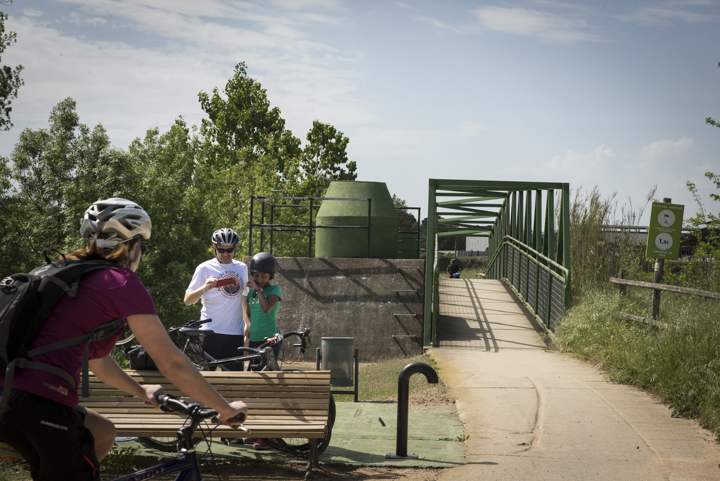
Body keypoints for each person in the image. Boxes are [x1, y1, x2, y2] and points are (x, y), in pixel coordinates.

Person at [0, 198, 247, 481]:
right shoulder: (120, 281)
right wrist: (224, 408)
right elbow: (172, 363)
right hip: (37, 401)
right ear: (134, 246)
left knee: (104, 432)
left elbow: (99, 361)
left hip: (10, 394)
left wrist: (142, 391)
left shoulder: (67, 271)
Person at [184, 228, 248, 370]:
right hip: (209, 333)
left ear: (235, 248)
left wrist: (247, 322)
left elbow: (244, 298)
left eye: (229, 250)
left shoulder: (242, 268)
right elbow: (187, 300)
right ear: (214, 247)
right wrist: (204, 288)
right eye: (221, 250)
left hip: (235, 334)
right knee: (204, 381)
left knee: (234, 382)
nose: (225, 254)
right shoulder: (204, 268)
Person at [243, 252, 282, 451]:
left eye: (263, 276)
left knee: (268, 388)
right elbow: (248, 313)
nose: (259, 279)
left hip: (270, 342)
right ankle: (256, 431)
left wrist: (258, 289)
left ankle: (267, 436)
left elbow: (266, 308)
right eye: (256, 275)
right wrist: (247, 327)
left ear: (271, 275)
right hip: (254, 342)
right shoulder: (251, 293)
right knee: (254, 387)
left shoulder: (274, 290)